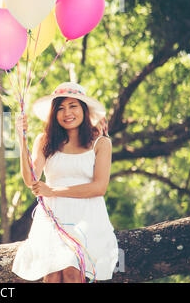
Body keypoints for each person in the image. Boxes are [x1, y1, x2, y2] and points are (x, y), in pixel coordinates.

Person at [11, 82, 118, 283]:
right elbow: (30, 179)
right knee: (51, 274)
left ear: (84, 110)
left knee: (72, 271)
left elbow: (99, 187)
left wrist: (52, 190)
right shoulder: (45, 141)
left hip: (87, 215)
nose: (66, 112)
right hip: (52, 216)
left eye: (72, 106)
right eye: (60, 107)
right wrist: (22, 140)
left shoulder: (101, 142)